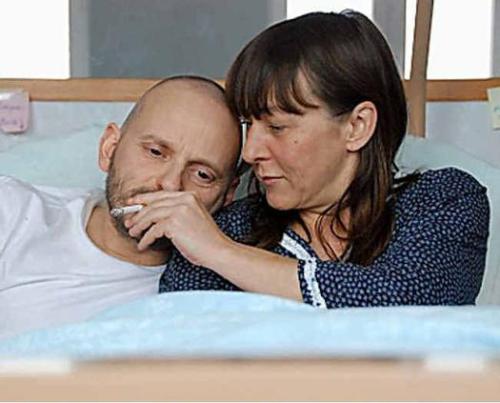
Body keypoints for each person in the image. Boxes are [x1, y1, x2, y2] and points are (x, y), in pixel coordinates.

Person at [153, 11, 490, 308]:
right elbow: (180, 332)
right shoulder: (230, 228)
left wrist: (222, 254)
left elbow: (407, 299)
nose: (250, 152)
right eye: (248, 124)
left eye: (277, 126)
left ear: (357, 126)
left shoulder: (444, 201)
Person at [0, 76, 241, 339]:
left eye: (202, 175)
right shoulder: (12, 210)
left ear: (228, 195)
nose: (170, 185)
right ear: (109, 149)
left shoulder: (219, 288)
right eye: (155, 152)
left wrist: (219, 252)